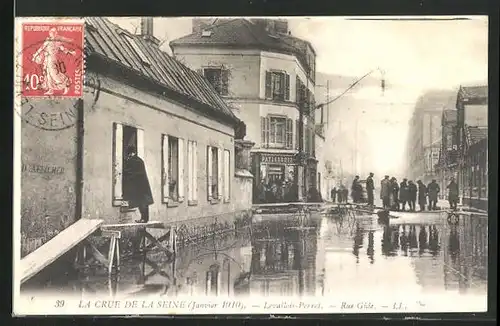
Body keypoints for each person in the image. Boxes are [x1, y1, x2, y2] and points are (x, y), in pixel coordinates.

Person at [123, 145, 154, 223]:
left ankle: (144, 219)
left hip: (139, 186)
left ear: (130, 153)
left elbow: (130, 172)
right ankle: (144, 218)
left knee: (142, 203)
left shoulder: (133, 161)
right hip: (142, 185)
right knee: (144, 203)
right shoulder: (139, 160)